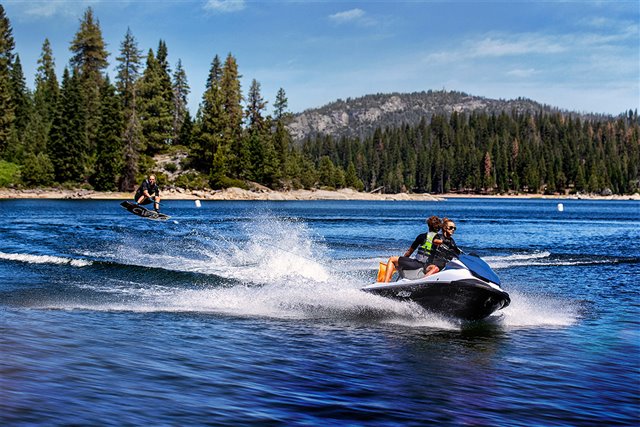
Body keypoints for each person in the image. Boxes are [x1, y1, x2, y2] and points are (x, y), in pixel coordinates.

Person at [382, 215, 443, 283]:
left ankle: (386, 283)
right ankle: (425, 280)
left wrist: (401, 263)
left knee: (392, 259)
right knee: (434, 268)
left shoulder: (422, 237)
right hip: (428, 266)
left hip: (416, 264)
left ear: (429, 225)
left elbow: (409, 252)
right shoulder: (442, 239)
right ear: (439, 228)